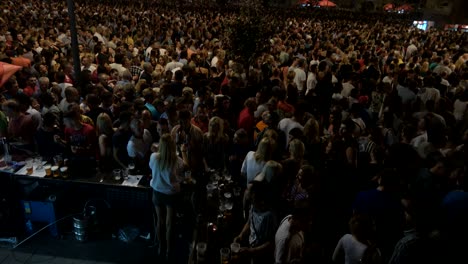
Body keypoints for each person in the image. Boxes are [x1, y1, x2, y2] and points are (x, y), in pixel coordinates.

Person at [149, 133, 188, 260]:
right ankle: (169, 251)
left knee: (160, 221)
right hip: (171, 195)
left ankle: (161, 247)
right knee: (169, 224)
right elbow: (185, 167)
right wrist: (183, 151)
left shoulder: (154, 157)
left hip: (157, 193)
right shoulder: (177, 161)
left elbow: (151, 166)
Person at [234, 181, 278, 264]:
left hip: (262, 255)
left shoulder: (269, 216)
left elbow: (272, 242)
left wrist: (252, 251)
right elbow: (249, 221)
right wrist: (241, 235)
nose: (247, 193)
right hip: (252, 248)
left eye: (249, 191)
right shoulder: (253, 205)